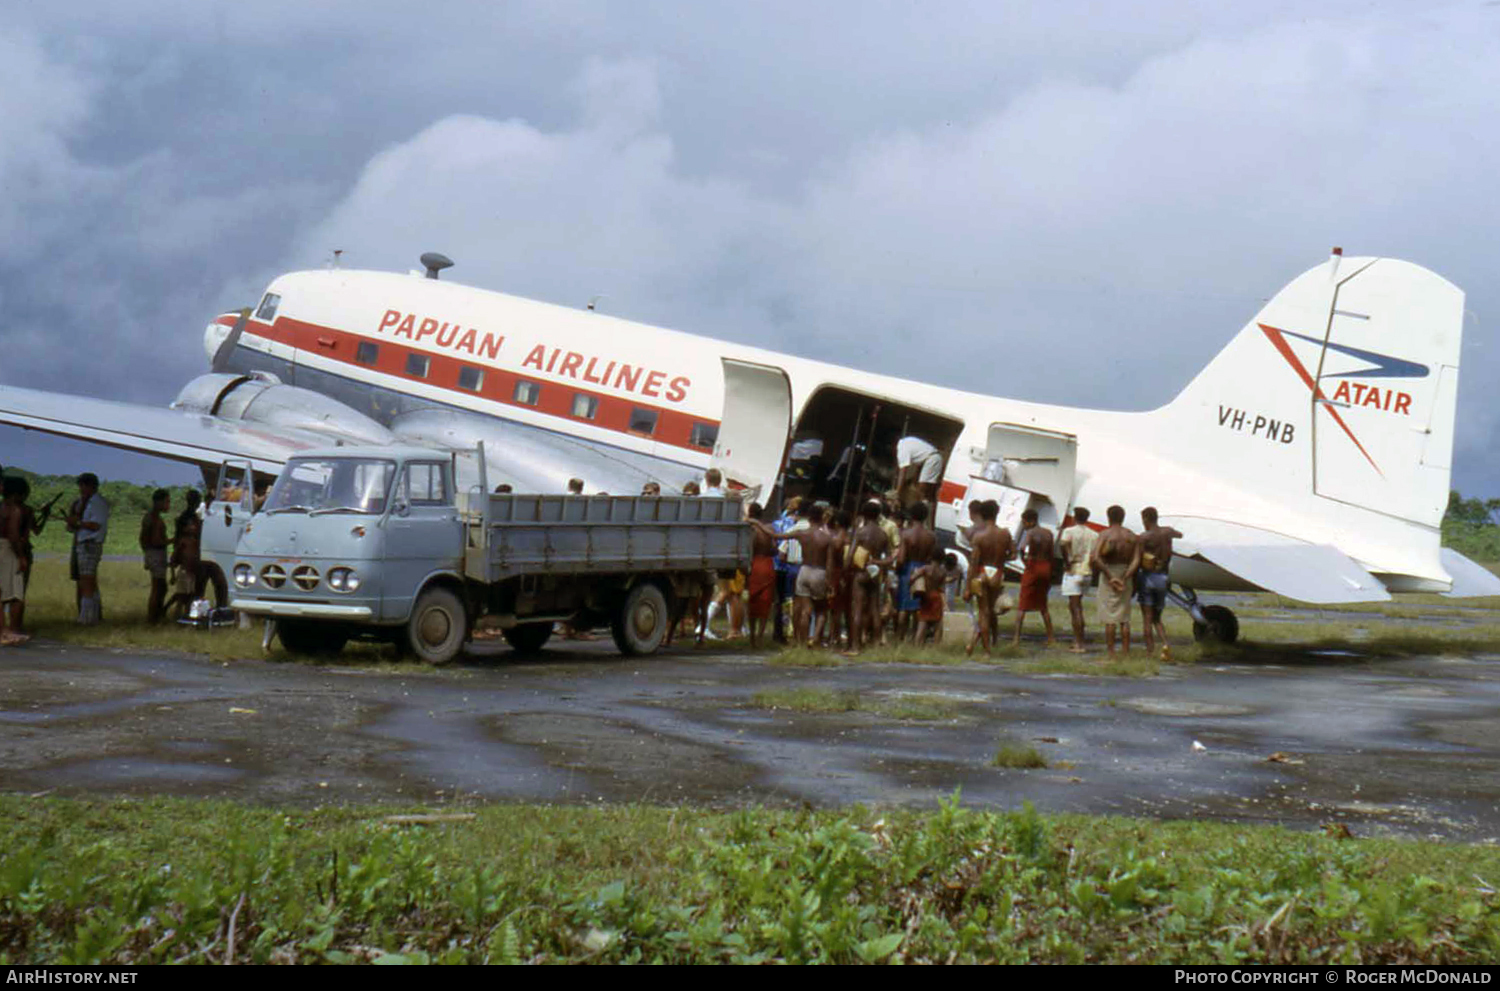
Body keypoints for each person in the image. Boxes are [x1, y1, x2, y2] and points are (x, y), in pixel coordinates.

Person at [774, 502, 832, 647]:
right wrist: (830, 582)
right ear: (821, 518)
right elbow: (829, 563)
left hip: (803, 570)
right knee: (821, 610)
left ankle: (802, 641)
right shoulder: (826, 537)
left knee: (804, 610)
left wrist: (756, 522)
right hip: (819, 571)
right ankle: (815, 639)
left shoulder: (801, 533)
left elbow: (776, 535)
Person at [965, 500, 1013, 658]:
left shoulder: (979, 537)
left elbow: (973, 564)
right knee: (990, 611)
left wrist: (967, 588)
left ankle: (986, 651)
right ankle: (976, 644)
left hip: (982, 572)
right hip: (997, 573)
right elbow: (1013, 554)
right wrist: (1001, 559)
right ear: (997, 513)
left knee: (983, 613)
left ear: (982, 515)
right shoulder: (1005, 534)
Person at [1090, 505, 1140, 656]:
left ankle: (1111, 652)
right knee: (1124, 616)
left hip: (1108, 575)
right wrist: (1124, 577)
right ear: (1123, 517)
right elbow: (1136, 560)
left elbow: (1095, 557)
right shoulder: (1131, 536)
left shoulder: (1105, 534)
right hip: (1126, 573)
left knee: (1110, 617)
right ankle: (1125, 652)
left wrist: (1111, 577)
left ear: (1108, 517)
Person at [1137, 506, 1184, 660]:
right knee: (1157, 617)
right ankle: (1165, 644)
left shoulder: (1144, 537)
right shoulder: (1168, 532)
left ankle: (1149, 651)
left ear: (1145, 519)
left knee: (1147, 618)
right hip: (1163, 577)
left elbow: (1138, 559)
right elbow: (1180, 535)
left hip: (1149, 577)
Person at [846, 500, 891, 656]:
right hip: (875, 573)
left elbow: (851, 555)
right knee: (874, 609)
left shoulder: (861, 532)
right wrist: (877, 562)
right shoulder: (883, 534)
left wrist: (846, 571)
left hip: (861, 572)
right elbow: (890, 559)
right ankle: (876, 645)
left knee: (857, 609)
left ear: (863, 515)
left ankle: (855, 647)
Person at [65, 472, 109, 625]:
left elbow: (96, 525)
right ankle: (92, 616)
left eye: (84, 486)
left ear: (92, 486)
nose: (81, 489)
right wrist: (72, 521)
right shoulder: (80, 502)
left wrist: (77, 522)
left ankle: (86, 618)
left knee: (87, 581)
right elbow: (72, 526)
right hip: (80, 543)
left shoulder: (98, 503)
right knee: (86, 581)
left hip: (90, 544)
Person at [1013, 508, 1057, 647]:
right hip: (1046, 566)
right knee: (1043, 604)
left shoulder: (1030, 533)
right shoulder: (1048, 533)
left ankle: (1016, 638)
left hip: (1033, 565)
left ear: (1030, 521)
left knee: (1022, 604)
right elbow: (1051, 554)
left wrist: (1025, 562)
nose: (1024, 525)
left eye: (1024, 522)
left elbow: (1022, 548)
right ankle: (1050, 637)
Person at [894, 501, 937, 642]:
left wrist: (897, 571)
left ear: (911, 516)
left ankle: (900, 637)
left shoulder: (906, 534)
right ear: (925, 517)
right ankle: (915, 638)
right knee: (919, 607)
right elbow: (932, 558)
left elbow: (901, 559)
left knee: (904, 607)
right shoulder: (931, 536)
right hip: (923, 569)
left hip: (908, 569)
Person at [1057, 507, 1099, 653]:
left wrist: (1067, 560)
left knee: (1075, 608)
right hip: (1087, 570)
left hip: (1074, 569)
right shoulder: (1094, 534)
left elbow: (1063, 544)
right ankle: (1080, 639)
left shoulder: (1069, 531)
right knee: (1078, 606)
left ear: (1075, 517)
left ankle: (1079, 642)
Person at [772, 497, 806, 644]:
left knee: (780, 601)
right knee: (797, 601)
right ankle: (795, 631)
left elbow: (776, 545)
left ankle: (779, 632)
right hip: (797, 566)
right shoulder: (800, 525)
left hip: (779, 565)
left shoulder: (777, 523)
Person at [0, 478, 29, 645]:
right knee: (16, 594)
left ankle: (3, 631)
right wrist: (21, 556)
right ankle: (10, 631)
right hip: (7, 550)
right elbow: (13, 535)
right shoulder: (14, 510)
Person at [745, 503, 778, 648]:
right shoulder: (769, 528)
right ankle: (760, 636)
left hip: (755, 564)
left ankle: (752, 636)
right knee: (765, 601)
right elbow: (774, 549)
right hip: (768, 564)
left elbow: (749, 549)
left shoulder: (750, 529)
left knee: (753, 601)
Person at [168, 490, 204, 619]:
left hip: (188, 561)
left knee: (187, 593)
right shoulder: (189, 518)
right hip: (186, 561)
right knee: (184, 593)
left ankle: (183, 615)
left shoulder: (187, 517)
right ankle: (178, 614)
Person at [139, 488, 171, 624]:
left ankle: (155, 616)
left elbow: (142, 538)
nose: (168, 505)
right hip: (156, 553)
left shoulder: (150, 516)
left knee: (161, 587)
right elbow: (156, 540)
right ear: (159, 502)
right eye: (167, 502)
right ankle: (152, 618)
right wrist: (173, 540)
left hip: (151, 552)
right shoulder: (154, 519)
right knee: (158, 587)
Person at [824, 509, 852, 648]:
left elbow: (830, 561)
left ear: (837, 523)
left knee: (834, 609)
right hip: (849, 575)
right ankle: (848, 638)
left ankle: (834, 637)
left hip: (836, 574)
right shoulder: (851, 538)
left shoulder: (835, 540)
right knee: (847, 608)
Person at [912, 546, 951, 646]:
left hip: (926, 596)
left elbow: (912, 578)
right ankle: (936, 646)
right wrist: (945, 603)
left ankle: (917, 645)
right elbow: (942, 589)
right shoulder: (943, 572)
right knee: (938, 623)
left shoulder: (925, 568)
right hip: (937, 597)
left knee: (923, 621)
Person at [894, 435, 945, 506]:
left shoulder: (901, 449)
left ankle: (922, 508)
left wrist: (897, 493)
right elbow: (920, 462)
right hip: (933, 458)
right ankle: (925, 504)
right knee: (922, 488)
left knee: (922, 488)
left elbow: (902, 473)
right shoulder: (907, 441)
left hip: (932, 459)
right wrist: (914, 480)